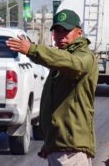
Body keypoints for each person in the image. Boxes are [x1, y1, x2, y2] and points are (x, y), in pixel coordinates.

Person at [6, 9, 98, 166]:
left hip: (73, 150)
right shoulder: (60, 59)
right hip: (61, 146)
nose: (61, 36)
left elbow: (74, 64)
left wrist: (33, 50)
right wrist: (50, 143)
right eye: (57, 31)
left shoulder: (84, 56)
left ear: (79, 32)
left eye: (66, 31)